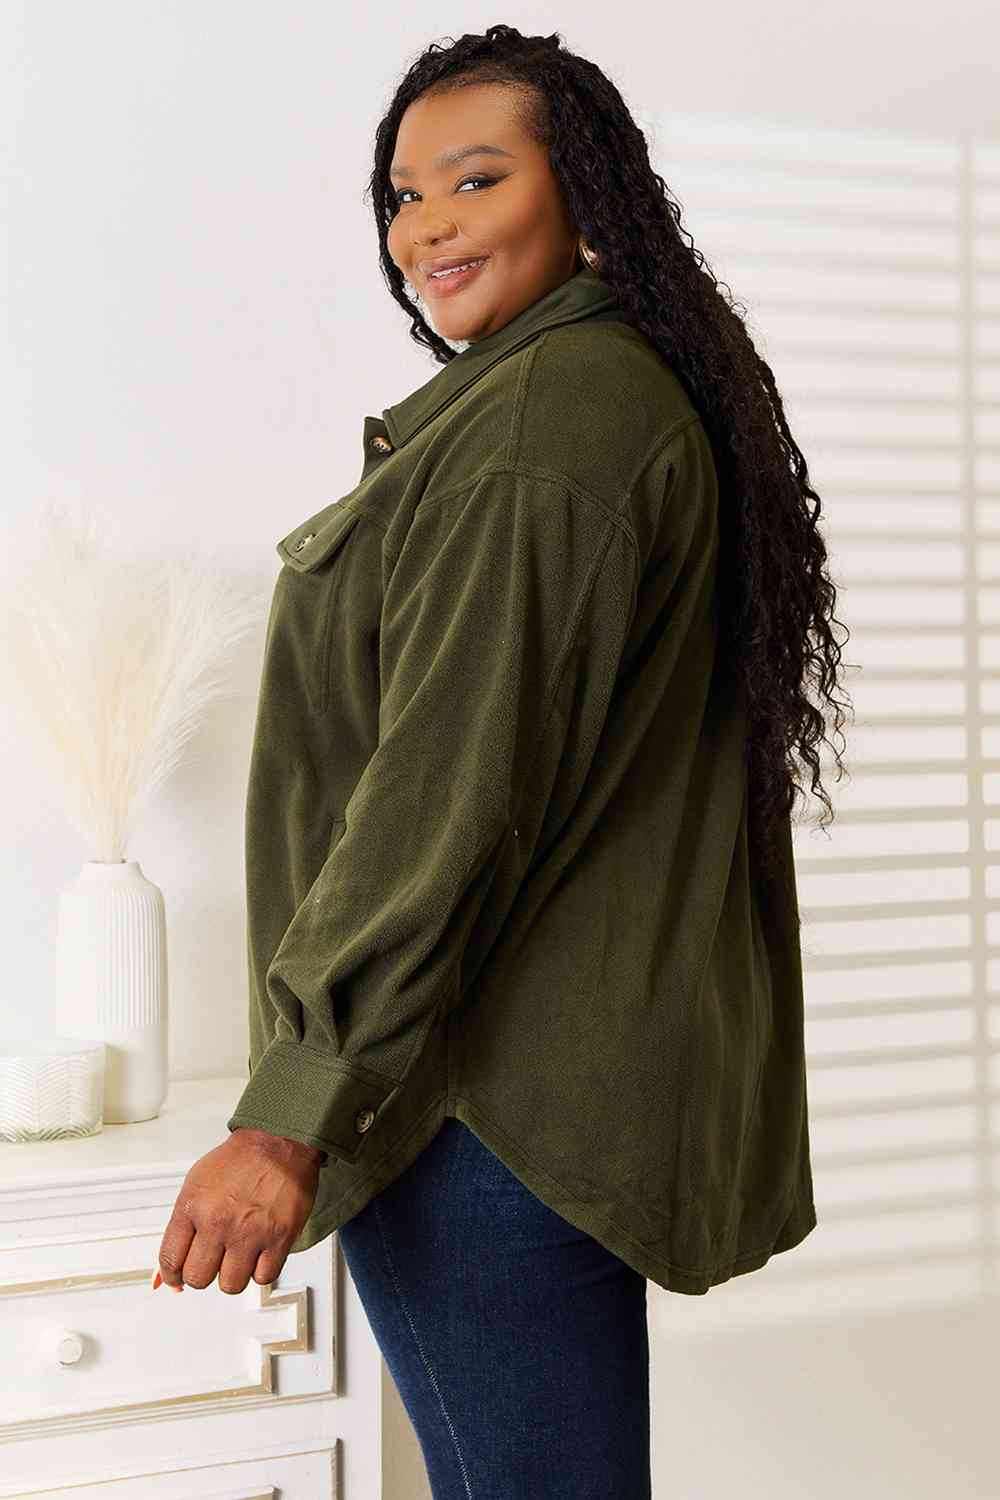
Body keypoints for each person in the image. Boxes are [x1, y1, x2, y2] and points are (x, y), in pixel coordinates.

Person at [155, 24, 850, 1498]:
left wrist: (291, 1111)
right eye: (404, 196)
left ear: (583, 189)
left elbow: (446, 799)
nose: (427, 229)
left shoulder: (545, 424)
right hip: (510, 1097)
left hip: (471, 1107)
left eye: (477, 179)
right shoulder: (582, 397)